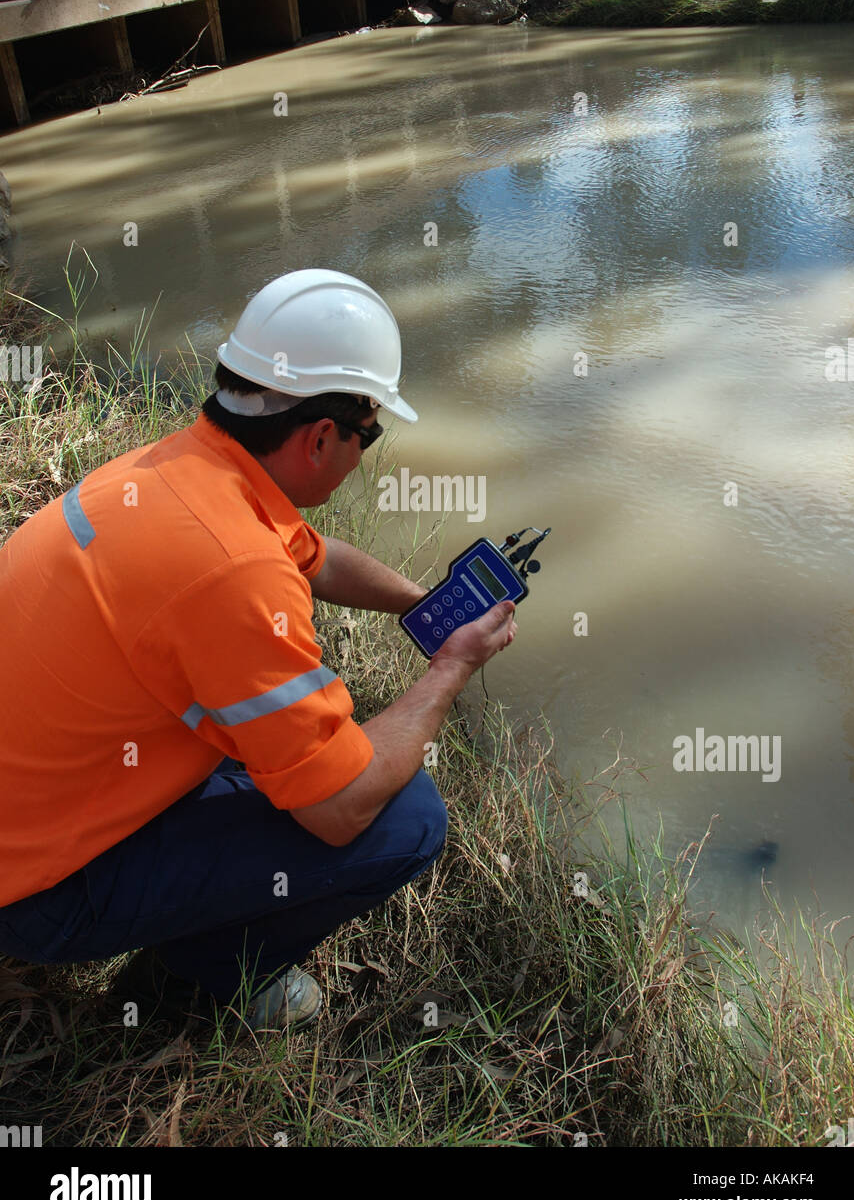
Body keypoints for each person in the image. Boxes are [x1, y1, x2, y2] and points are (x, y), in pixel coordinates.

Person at [0, 269, 517, 1032]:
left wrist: (420, 605)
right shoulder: (235, 571)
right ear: (319, 437)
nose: (364, 456)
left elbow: (319, 557)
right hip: (35, 892)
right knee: (405, 817)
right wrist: (452, 667)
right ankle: (202, 979)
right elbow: (340, 813)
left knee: (297, 727)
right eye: (368, 437)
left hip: (33, 798)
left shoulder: (183, 471)